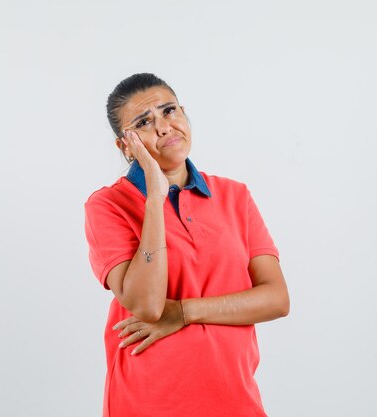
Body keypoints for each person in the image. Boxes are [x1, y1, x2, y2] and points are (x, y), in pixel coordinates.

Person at [83, 73, 290, 417]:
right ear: (125, 146)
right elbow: (147, 307)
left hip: (235, 400)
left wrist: (182, 312)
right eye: (144, 122)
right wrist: (154, 200)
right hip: (148, 401)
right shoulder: (107, 205)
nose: (164, 127)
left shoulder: (234, 196)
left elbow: (276, 299)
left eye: (169, 111)